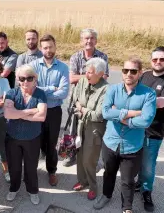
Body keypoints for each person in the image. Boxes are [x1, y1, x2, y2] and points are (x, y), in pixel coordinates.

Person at [93, 56, 157, 213]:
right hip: (110, 142)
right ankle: (106, 195)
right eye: (125, 70)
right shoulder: (113, 90)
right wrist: (132, 113)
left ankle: (127, 207)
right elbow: (106, 113)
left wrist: (121, 117)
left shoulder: (148, 94)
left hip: (132, 146)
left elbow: (146, 121)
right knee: (109, 173)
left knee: (128, 180)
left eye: (133, 71)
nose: (129, 74)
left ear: (140, 73)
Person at [136, 46, 164, 212]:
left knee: (148, 165)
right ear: (151, 61)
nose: (158, 62)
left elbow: (162, 102)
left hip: (154, 131)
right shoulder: (145, 76)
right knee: (138, 159)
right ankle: (139, 183)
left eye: (162, 59)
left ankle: (146, 192)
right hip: (137, 127)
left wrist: (140, 103)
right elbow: (134, 93)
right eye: (155, 59)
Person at [64, 28, 110, 167]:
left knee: (92, 130)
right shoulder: (75, 57)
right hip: (77, 98)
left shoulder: (103, 57)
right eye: (86, 38)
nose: (89, 41)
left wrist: (83, 76)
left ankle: (92, 160)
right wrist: (92, 74)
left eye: (91, 38)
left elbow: (104, 77)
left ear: (95, 40)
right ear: (82, 40)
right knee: (73, 128)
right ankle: (71, 155)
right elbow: (72, 78)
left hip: (95, 98)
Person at [4, 64, 47, 205]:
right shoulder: (11, 93)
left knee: (31, 167)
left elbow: (41, 117)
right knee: (14, 166)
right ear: (17, 79)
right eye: (22, 79)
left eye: (29, 78)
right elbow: (8, 113)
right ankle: (14, 188)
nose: (25, 82)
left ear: (35, 79)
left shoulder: (40, 94)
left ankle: (33, 190)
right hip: (13, 137)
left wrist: (18, 114)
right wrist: (30, 111)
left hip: (32, 138)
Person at [29, 34, 69, 186]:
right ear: (41, 49)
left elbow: (63, 92)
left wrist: (40, 90)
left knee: (51, 144)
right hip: (36, 110)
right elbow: (30, 89)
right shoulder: (33, 66)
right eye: (45, 47)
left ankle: (51, 171)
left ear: (55, 46)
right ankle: (32, 171)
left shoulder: (63, 68)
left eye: (51, 46)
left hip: (53, 111)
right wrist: (52, 88)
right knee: (35, 142)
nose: (48, 50)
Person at [71, 58, 109, 201]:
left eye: (90, 72)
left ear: (100, 74)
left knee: (89, 160)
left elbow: (99, 114)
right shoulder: (82, 81)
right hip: (80, 124)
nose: (86, 75)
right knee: (80, 156)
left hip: (95, 129)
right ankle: (82, 181)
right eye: (86, 71)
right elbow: (75, 97)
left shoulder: (106, 89)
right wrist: (83, 109)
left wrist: (82, 109)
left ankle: (93, 186)